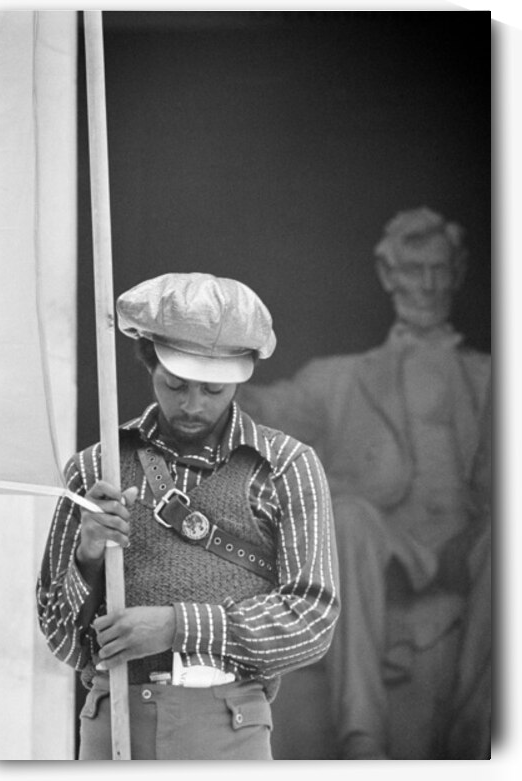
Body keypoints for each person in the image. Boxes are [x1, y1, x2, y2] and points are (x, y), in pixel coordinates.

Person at [36, 272, 340, 760]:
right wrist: (87, 557)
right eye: (175, 384)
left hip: (228, 724)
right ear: (149, 362)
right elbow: (63, 641)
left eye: (214, 390)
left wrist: (176, 626)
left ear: (242, 378)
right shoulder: (97, 467)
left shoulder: (286, 467)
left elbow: (311, 621)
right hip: (112, 726)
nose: (193, 405)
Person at [238, 207, 491, 759]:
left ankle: (481, 741)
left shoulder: (495, 376)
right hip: (384, 545)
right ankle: (362, 737)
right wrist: (209, 366)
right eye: (413, 268)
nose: (427, 284)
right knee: (346, 515)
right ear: (388, 275)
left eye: (439, 269)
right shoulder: (341, 378)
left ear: (459, 271)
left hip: (473, 544)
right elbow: (269, 408)